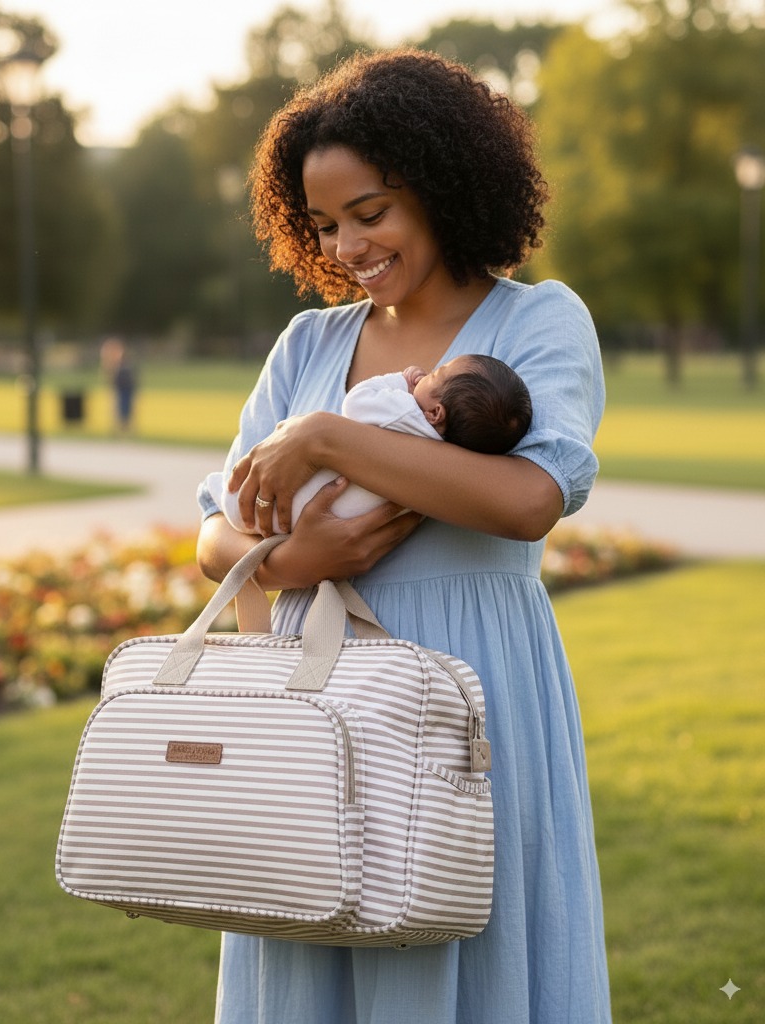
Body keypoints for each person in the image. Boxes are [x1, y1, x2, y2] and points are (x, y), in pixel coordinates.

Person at [194, 48, 611, 1024]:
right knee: (312, 927)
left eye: (369, 211)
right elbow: (216, 536)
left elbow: (524, 499)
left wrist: (329, 437)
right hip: (314, 691)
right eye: (324, 221)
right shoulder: (309, 345)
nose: (344, 243)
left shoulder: (537, 322)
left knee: (462, 938)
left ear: (441, 186)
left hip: (476, 688)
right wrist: (301, 562)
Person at [206, 354, 532, 535]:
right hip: (323, 521)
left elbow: (356, 402)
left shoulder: (404, 415)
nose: (425, 373)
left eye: (437, 374)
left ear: (435, 413)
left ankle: (217, 492)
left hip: (274, 513)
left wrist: (399, 380)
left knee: (232, 496)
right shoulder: (447, 457)